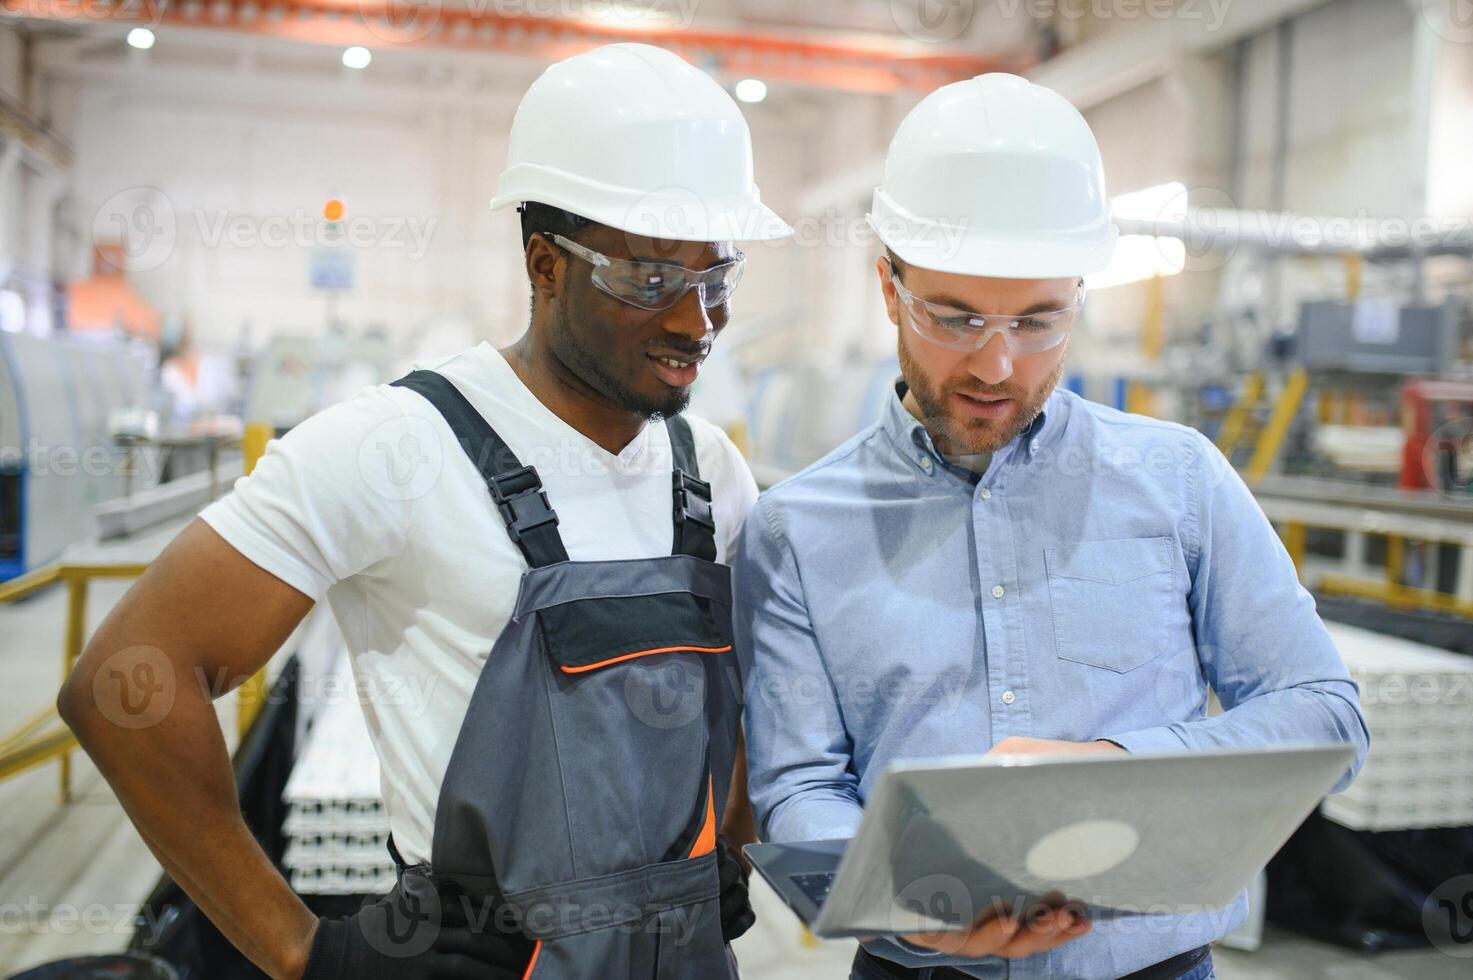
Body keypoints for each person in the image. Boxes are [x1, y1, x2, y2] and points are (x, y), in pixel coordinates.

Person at [59, 42, 791, 980]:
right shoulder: (393, 449)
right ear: (544, 264)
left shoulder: (711, 472)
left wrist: (721, 850)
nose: (696, 321)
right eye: (650, 279)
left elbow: (733, 706)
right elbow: (125, 685)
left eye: (716, 278)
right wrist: (303, 951)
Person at [734, 73, 1369, 980]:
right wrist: (918, 909)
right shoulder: (798, 529)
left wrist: (1112, 765)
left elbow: (1325, 718)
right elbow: (799, 789)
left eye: (1038, 320)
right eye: (954, 318)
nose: (996, 363)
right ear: (888, 287)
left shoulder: (1176, 479)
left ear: (1079, 293)